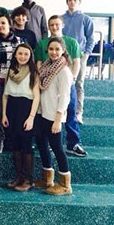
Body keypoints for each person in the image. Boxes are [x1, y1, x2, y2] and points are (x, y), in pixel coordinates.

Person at [35, 15, 87, 157]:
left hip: (66, 83)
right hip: (47, 85)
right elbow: (39, 63)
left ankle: (73, 143)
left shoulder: (72, 42)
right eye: (51, 25)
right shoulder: (42, 43)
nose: (54, 27)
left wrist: (71, 79)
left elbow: (76, 62)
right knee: (46, 115)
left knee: (70, 112)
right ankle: (49, 144)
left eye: (57, 24)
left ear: (62, 25)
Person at [35, 37, 73, 196]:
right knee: (42, 145)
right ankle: (47, 179)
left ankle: (65, 184)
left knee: (57, 148)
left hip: (54, 116)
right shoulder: (46, 66)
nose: (54, 52)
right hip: (43, 112)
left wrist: (58, 119)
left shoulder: (64, 70)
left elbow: (65, 97)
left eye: (57, 49)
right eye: (51, 49)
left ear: (63, 50)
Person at [2, 44, 40, 191]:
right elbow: (5, 95)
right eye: (20, 54)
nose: (23, 57)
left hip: (26, 110)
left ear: (30, 56)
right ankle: (19, 176)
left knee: (26, 145)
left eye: (26, 54)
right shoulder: (10, 71)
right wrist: (4, 114)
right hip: (12, 109)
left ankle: (29, 180)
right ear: (15, 55)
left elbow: (36, 97)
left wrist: (31, 117)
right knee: (15, 144)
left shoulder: (33, 72)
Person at [62, 0, 94, 125]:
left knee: (78, 83)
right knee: (64, 83)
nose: (72, 2)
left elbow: (91, 37)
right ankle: (63, 111)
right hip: (63, 55)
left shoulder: (86, 19)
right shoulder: (61, 18)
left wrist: (86, 53)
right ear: (67, 2)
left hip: (80, 55)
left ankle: (78, 112)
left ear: (79, 2)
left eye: (75, 0)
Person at [0, 14, 21, 153]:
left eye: (3, 23)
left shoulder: (18, 41)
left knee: (12, 112)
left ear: (9, 25)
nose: (0, 26)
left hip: (14, 82)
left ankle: (11, 141)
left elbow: (23, 60)